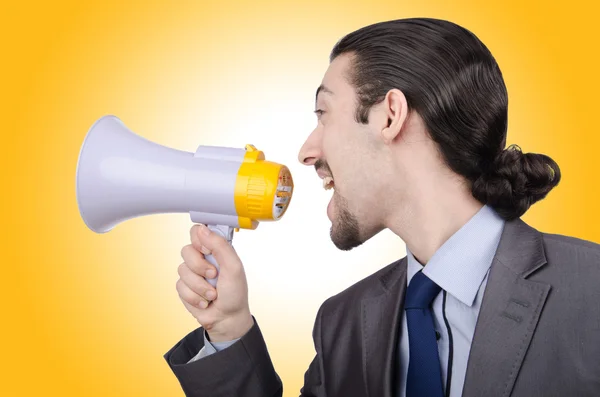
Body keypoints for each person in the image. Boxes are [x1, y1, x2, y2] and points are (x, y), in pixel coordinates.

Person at [164, 18, 600, 397]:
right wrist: (229, 327)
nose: (306, 151)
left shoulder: (589, 293)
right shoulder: (344, 323)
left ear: (390, 115)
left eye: (323, 113)